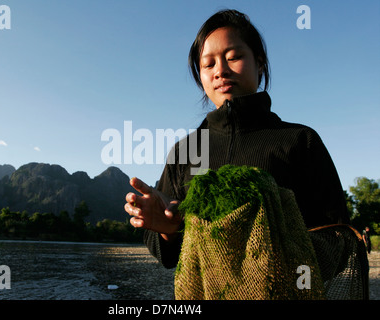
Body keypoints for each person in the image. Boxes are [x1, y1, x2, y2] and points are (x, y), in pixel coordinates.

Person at [124, 9, 350, 269]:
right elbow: (166, 254)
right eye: (208, 64)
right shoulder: (186, 151)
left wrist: (276, 256)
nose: (220, 71)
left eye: (234, 57)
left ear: (260, 62)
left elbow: (338, 240)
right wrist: (166, 229)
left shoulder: (299, 141)